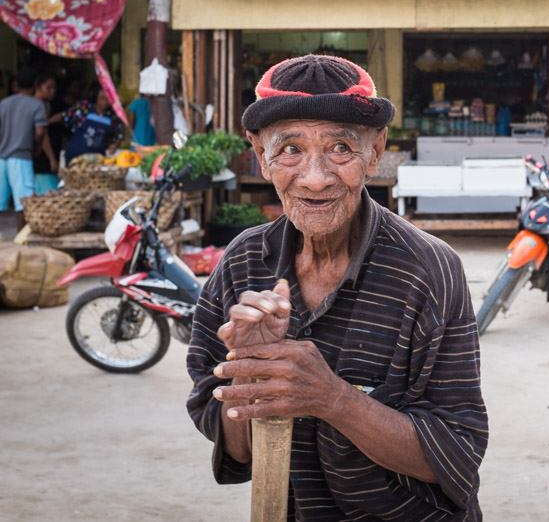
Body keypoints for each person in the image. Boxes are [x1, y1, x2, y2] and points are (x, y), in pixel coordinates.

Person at [186, 55, 488, 521]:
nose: (315, 177)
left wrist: (332, 398)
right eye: (289, 148)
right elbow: (236, 449)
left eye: (341, 147)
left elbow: (458, 454)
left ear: (376, 150)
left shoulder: (429, 269)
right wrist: (250, 377)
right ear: (260, 155)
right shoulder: (241, 265)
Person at [0, 68, 48, 231]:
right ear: (35, 84)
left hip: (1, 157)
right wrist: (37, 146)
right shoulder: (36, 105)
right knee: (24, 203)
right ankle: (22, 242)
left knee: (1, 202)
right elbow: (40, 131)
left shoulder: (4, 103)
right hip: (20, 157)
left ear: (15, 84)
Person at [62, 82, 123, 162]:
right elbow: (64, 116)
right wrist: (47, 121)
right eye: (102, 98)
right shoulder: (84, 107)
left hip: (96, 160)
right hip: (74, 155)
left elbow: (119, 136)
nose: (105, 102)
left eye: (108, 99)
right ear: (96, 97)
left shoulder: (113, 116)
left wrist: (114, 145)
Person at [32, 72, 61, 194]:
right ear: (38, 87)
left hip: (43, 156)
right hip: (41, 157)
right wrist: (52, 159)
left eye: (54, 88)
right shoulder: (37, 106)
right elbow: (43, 135)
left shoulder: (46, 105)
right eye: (48, 88)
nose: (52, 91)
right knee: (48, 194)